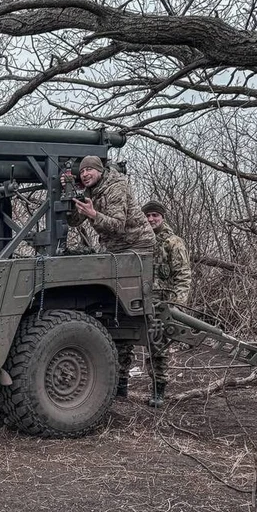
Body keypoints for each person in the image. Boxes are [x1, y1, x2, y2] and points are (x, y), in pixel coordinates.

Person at [63, 156, 155, 398]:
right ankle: (121, 384)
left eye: (90, 170)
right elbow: (73, 220)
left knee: (141, 317)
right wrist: (67, 192)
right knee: (116, 316)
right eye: (82, 172)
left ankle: (158, 386)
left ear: (100, 171)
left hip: (137, 248)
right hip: (116, 250)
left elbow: (116, 224)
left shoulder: (116, 186)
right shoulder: (90, 191)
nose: (85, 174)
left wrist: (93, 214)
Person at [141, 200, 192, 407]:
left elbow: (183, 275)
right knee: (124, 346)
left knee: (158, 347)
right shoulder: (140, 240)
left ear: (162, 217)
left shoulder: (173, 242)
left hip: (162, 302)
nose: (151, 219)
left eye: (155, 215)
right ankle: (121, 387)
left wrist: (176, 306)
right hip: (138, 300)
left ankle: (158, 391)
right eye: (148, 215)